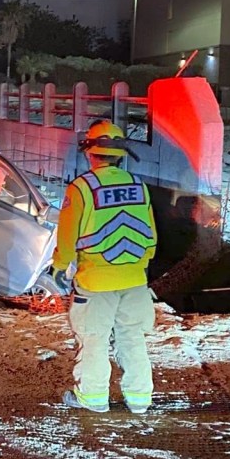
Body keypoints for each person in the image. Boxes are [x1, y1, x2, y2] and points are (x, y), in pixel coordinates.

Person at [52, 120, 158, 414]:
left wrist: (59, 266)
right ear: (120, 154)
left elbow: (67, 236)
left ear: (90, 152)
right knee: (132, 337)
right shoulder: (139, 186)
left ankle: (94, 397)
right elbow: (150, 236)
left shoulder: (82, 188)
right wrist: (139, 267)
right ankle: (139, 399)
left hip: (96, 282)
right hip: (136, 280)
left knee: (94, 338)